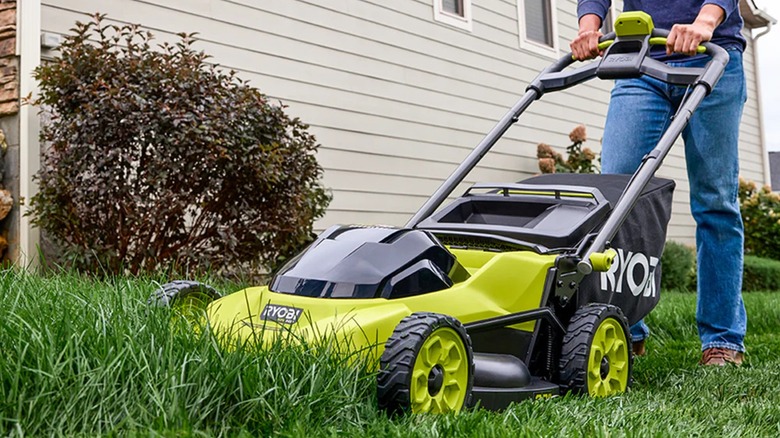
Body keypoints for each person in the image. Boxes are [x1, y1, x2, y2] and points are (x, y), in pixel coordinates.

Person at [571, 1, 747, 365]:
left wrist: (704, 22)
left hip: (711, 55)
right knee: (617, 200)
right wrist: (588, 28)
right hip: (641, 59)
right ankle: (624, 328)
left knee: (715, 201)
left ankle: (722, 337)